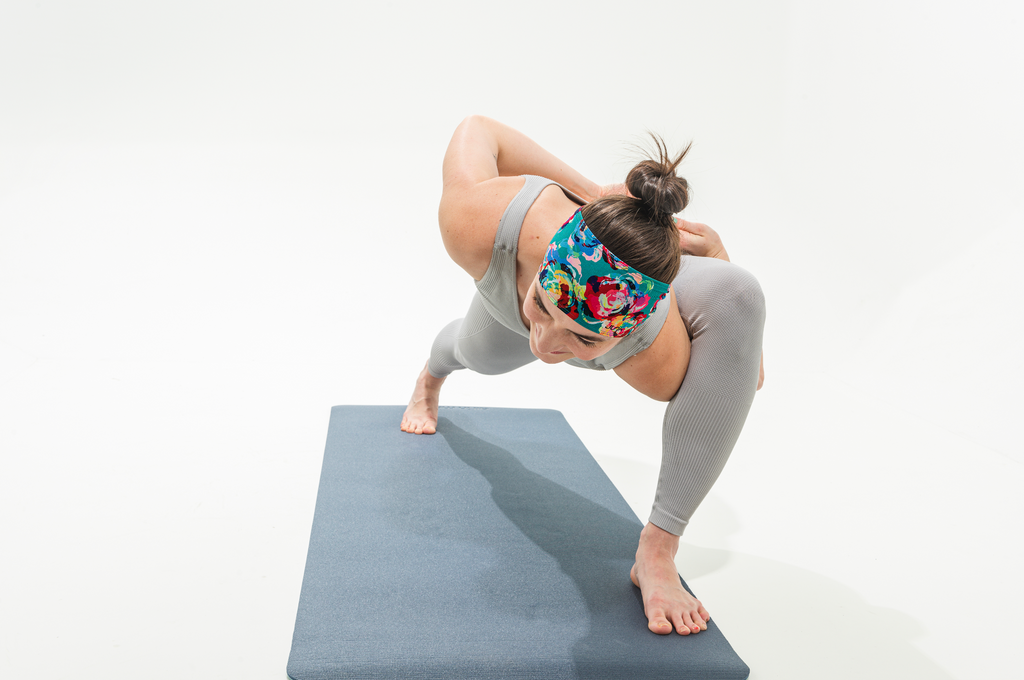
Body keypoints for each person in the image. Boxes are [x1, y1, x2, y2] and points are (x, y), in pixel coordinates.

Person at [401, 115, 765, 636]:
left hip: (633, 306)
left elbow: (732, 388)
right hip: (511, 297)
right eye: (547, 307)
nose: (548, 346)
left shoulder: (650, 355)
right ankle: (431, 377)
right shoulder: (482, 222)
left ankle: (656, 551)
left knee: (739, 295)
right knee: (473, 352)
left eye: (583, 338)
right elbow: (482, 130)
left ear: (632, 332)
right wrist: (591, 192)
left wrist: (732, 320)